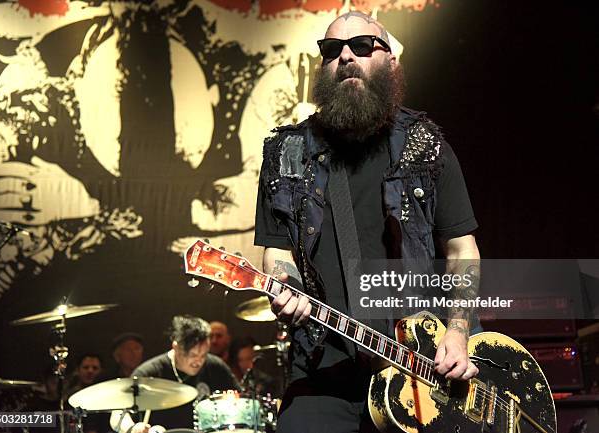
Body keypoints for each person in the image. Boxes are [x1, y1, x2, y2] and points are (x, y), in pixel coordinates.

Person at [254, 11, 481, 433]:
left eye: (361, 46)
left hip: (423, 364)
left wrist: (458, 330)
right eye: (332, 49)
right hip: (327, 365)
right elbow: (277, 250)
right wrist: (287, 288)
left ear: (390, 62)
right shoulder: (287, 155)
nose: (345, 57)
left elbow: (461, 249)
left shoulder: (425, 147)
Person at [110, 315, 239, 433]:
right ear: (176, 347)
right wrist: (132, 429)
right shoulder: (149, 372)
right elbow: (117, 415)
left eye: (203, 355)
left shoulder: (216, 367)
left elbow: (241, 402)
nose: (198, 361)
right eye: (192, 355)